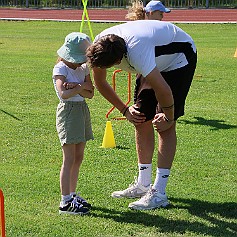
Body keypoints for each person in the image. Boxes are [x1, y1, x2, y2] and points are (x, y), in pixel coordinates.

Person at [86, 20, 197, 210]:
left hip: (179, 58)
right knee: (140, 118)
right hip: (153, 59)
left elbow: (163, 89)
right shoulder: (100, 45)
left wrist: (169, 116)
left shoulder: (138, 52)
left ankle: (159, 193)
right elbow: (100, 82)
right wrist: (124, 110)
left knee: (165, 126)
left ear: (118, 61)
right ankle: (143, 184)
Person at [53, 32, 94, 215]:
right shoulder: (60, 69)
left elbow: (91, 93)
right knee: (68, 159)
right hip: (68, 113)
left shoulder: (83, 68)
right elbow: (63, 94)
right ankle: (65, 201)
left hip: (82, 111)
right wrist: (79, 87)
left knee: (79, 157)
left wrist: (75, 87)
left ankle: (72, 194)